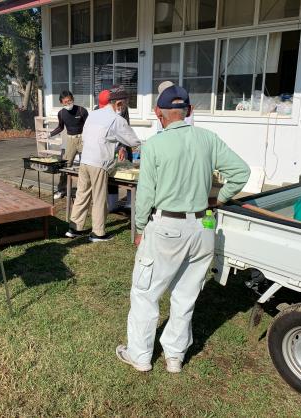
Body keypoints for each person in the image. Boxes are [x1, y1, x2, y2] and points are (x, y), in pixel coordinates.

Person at [116, 86, 250, 372]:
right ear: (189, 111)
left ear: (158, 114)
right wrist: (220, 198)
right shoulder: (208, 139)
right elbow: (242, 172)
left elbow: (146, 195)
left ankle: (140, 356)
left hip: (167, 226)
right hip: (203, 225)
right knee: (186, 295)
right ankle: (174, 356)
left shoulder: (153, 145)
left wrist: (139, 228)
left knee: (145, 292)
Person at [66, 86, 140, 242]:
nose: (124, 107)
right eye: (124, 104)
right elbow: (133, 141)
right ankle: (98, 233)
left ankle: (74, 228)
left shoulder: (94, 114)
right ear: (118, 103)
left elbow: (85, 136)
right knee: (99, 198)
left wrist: (117, 144)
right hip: (99, 163)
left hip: (85, 160)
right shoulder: (116, 119)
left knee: (82, 195)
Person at [50, 90, 89, 200]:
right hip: (70, 140)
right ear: (61, 102)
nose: (68, 103)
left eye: (70, 101)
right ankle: (62, 189)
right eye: (66, 102)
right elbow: (60, 127)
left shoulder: (82, 110)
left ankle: (84, 191)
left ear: (73, 99)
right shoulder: (61, 113)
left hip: (83, 139)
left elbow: (89, 126)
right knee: (65, 165)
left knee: (85, 165)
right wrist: (49, 134)